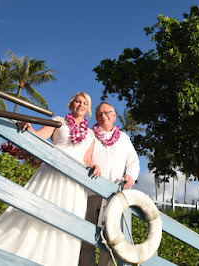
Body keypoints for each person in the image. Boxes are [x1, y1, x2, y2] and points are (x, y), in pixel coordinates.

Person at [0, 92, 100, 265]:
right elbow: (40, 135)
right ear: (71, 104)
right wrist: (29, 128)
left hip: (76, 183)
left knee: (68, 220)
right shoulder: (59, 120)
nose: (81, 105)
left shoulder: (90, 135)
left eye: (84, 103)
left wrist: (94, 166)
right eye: (77, 101)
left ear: (88, 108)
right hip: (53, 172)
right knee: (38, 209)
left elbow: (86, 159)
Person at [79, 102, 140, 266]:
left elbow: (133, 161)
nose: (103, 116)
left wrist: (131, 176)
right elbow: (81, 154)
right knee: (87, 236)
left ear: (114, 115)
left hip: (115, 196)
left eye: (107, 113)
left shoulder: (124, 138)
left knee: (112, 238)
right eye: (99, 114)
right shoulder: (90, 134)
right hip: (91, 193)